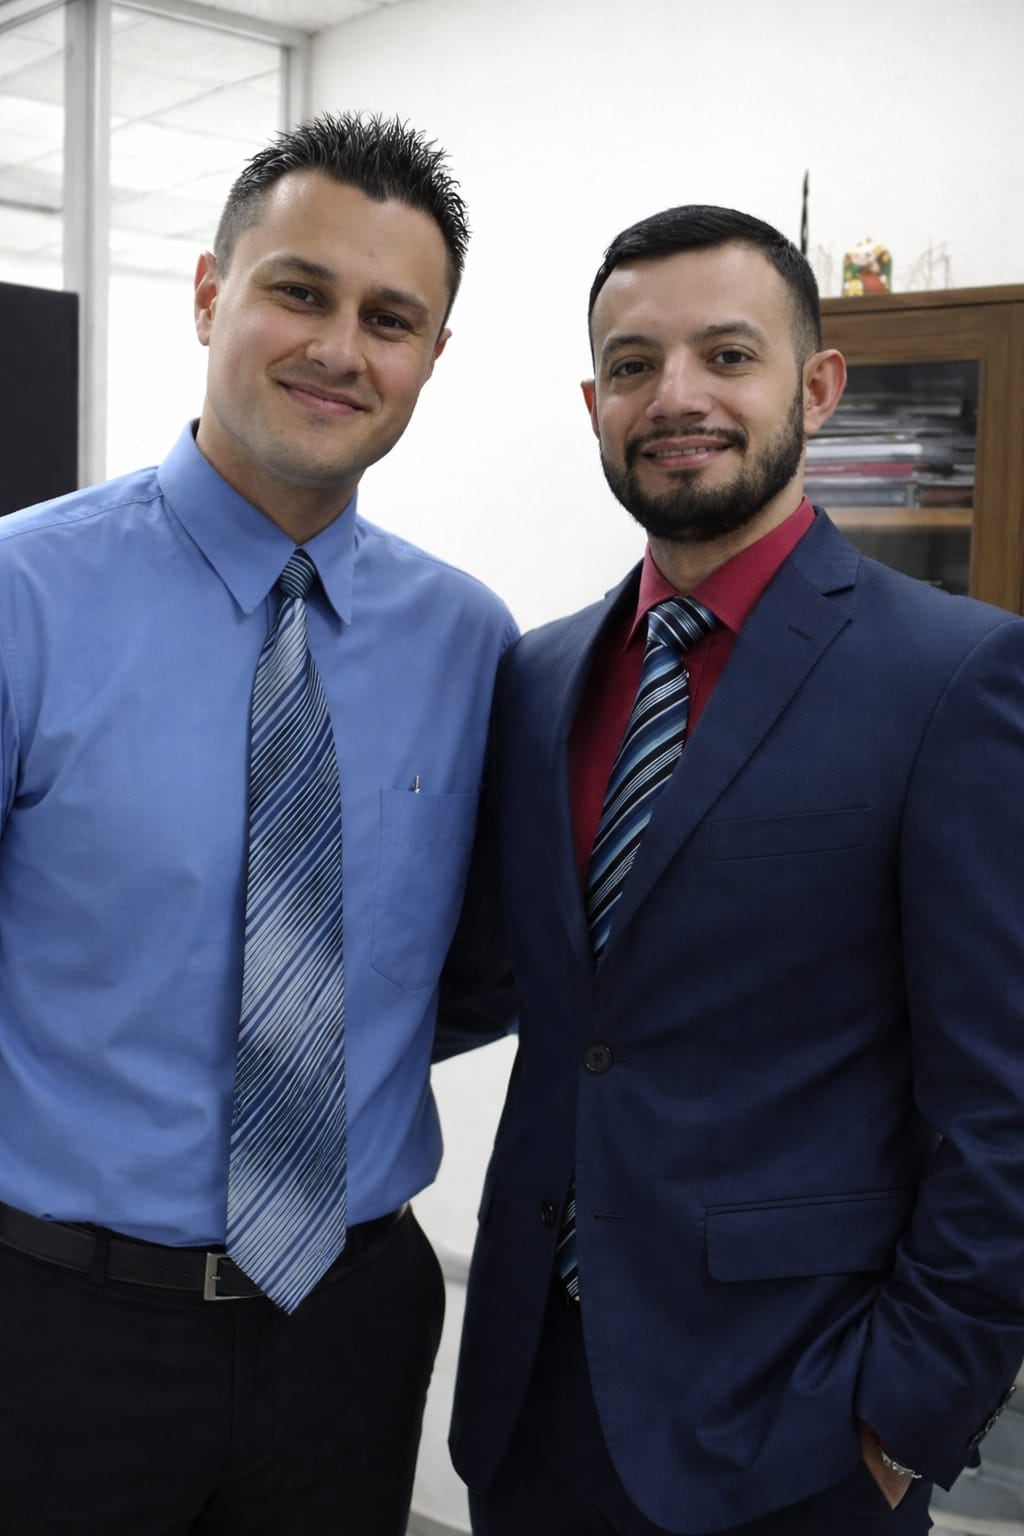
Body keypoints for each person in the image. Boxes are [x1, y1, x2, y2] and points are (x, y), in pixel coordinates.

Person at [448, 205, 1024, 1535]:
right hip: (533, 1405)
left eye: (729, 354)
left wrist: (903, 1420)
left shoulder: (956, 678)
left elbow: (1001, 1100)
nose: (679, 396)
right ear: (593, 401)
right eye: (636, 365)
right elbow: (523, 990)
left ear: (817, 386)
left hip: (799, 1423)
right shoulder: (536, 678)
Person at [0, 111, 515, 1535]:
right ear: (213, 291)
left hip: (346, 1328)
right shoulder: (21, 600)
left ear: (430, 358)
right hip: (54, 1327)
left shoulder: (473, 646)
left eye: (391, 317)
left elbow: (471, 960)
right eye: (300, 290)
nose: (342, 346)